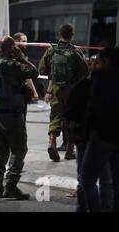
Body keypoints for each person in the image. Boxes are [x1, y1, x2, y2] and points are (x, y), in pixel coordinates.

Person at [0, 36, 39, 200]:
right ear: (12, 49)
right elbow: (34, 72)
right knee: (19, 150)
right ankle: (10, 185)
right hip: (13, 116)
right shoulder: (12, 65)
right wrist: (20, 58)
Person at [65, 55, 113, 212]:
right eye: (92, 63)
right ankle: (84, 207)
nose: (94, 66)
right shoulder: (82, 87)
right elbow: (69, 112)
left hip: (99, 138)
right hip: (87, 138)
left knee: (101, 179)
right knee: (86, 178)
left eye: (97, 62)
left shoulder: (101, 86)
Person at [38, 24, 89, 162]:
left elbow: (42, 69)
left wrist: (53, 76)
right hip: (72, 91)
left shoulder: (51, 50)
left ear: (58, 34)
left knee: (55, 116)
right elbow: (84, 73)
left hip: (56, 89)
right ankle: (69, 151)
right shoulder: (75, 52)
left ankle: (52, 141)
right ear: (72, 35)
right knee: (72, 119)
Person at [80, 47, 119, 212]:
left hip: (102, 136)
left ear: (106, 62)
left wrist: (87, 133)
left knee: (87, 178)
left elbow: (93, 107)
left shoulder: (101, 77)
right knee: (115, 180)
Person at [13, 32, 39, 107]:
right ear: (16, 41)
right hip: (17, 91)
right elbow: (27, 76)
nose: (26, 43)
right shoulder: (19, 56)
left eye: (26, 41)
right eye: (23, 41)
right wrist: (34, 91)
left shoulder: (12, 53)